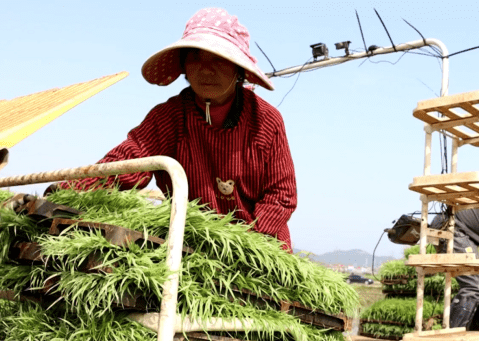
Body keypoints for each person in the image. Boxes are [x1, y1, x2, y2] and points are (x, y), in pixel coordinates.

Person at [54, 8, 297, 250]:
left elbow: (281, 195)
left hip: (258, 250)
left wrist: (243, 243)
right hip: (192, 246)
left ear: (238, 69)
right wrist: (64, 192)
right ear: (183, 66)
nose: (205, 69)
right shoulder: (171, 117)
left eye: (218, 59)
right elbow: (129, 160)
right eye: (195, 57)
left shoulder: (265, 121)